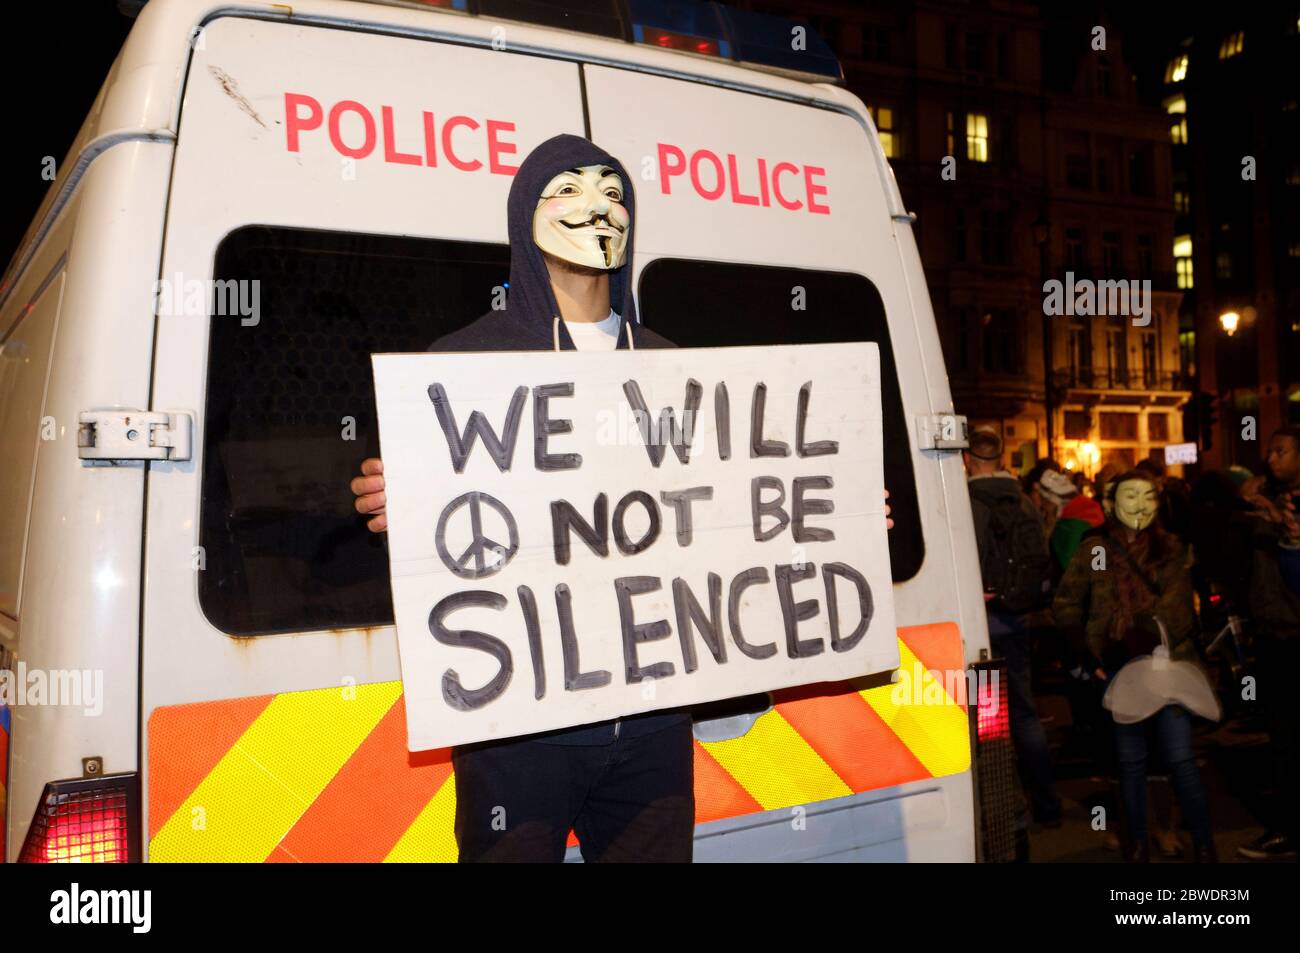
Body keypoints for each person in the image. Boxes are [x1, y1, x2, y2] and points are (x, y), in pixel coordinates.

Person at [350, 133, 896, 862]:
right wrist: (406, 503)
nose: (597, 205)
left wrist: (839, 515)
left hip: (652, 730)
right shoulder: (463, 364)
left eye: (613, 191)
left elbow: (725, 518)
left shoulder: (674, 366)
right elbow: (457, 532)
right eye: (568, 189)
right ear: (524, 219)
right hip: (518, 737)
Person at [1053, 471, 1217, 862]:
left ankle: (1205, 843)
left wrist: (1135, 638)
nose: (1139, 505)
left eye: (1148, 497)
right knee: (1130, 763)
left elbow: (1178, 613)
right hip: (1117, 673)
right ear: (1111, 504)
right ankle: (1137, 841)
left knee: (1180, 760)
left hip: (1167, 668)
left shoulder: (1174, 549)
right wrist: (1086, 652)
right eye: (1130, 496)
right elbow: (1066, 603)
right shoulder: (1094, 549)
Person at [965, 430, 1061, 828]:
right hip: (1018, 619)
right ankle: (1048, 806)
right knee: (1024, 713)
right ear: (1001, 457)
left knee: (989, 721)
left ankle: (1004, 810)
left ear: (968, 458)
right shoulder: (1025, 502)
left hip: (982, 625)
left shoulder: (963, 503)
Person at [1233, 426, 1300, 861]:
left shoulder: (1290, 509)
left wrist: (1288, 532)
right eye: (1267, 453)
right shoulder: (1268, 501)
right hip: (1274, 633)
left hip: (1296, 631)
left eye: (1280, 451)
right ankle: (1285, 827)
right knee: (1282, 739)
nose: (1271, 459)